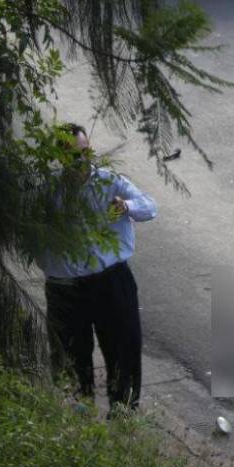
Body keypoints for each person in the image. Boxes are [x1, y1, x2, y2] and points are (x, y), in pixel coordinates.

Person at [42, 123, 157, 412]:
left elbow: (149, 207)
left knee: (124, 355)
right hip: (65, 289)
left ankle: (123, 419)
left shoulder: (109, 181)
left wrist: (126, 206)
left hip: (111, 283)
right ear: (59, 157)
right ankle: (77, 425)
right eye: (72, 156)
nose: (81, 162)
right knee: (70, 362)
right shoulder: (46, 190)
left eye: (85, 153)